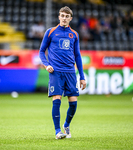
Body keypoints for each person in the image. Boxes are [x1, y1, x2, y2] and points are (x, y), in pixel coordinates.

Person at [39, 6, 86, 139]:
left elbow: (77, 56)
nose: (64, 18)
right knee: (57, 100)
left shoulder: (74, 34)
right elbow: (41, 51)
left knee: (73, 104)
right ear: (59, 17)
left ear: (70, 18)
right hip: (56, 72)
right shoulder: (51, 32)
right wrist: (47, 65)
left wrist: (82, 77)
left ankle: (66, 125)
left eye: (67, 16)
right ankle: (57, 131)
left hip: (70, 72)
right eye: (62, 16)